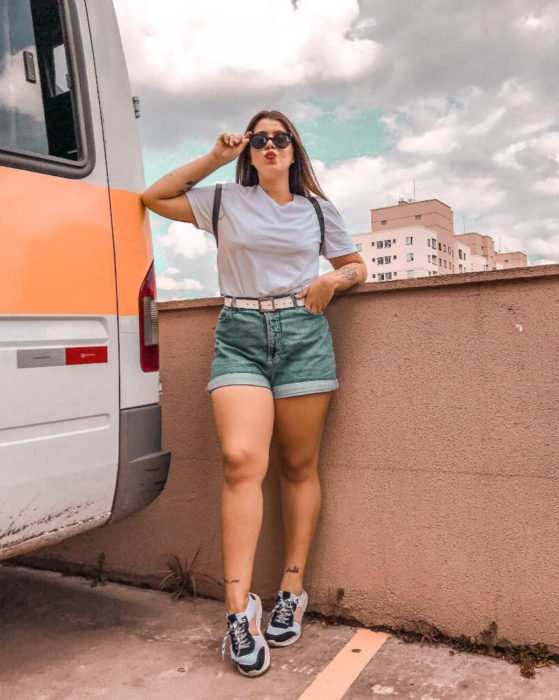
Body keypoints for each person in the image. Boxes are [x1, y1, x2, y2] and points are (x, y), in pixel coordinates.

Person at [142, 109, 367, 677]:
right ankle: (238, 612)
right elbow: (154, 197)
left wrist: (331, 278)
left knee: (298, 465)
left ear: (294, 151)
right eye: (260, 139)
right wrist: (217, 157)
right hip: (239, 335)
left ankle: (292, 588)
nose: (270, 146)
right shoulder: (223, 200)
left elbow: (357, 265)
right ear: (249, 150)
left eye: (281, 139)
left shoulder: (318, 210)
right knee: (241, 460)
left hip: (304, 334)